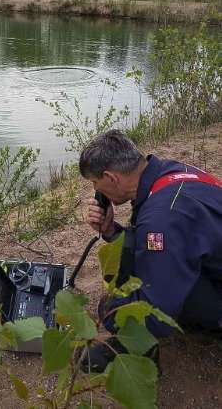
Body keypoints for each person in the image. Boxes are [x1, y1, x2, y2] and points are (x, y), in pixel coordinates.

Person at [79, 129, 222, 372]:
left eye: (95, 182)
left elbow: (157, 316)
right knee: (140, 250)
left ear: (111, 178)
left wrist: (109, 310)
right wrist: (111, 231)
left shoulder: (161, 219)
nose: (96, 189)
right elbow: (153, 240)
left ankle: (140, 350)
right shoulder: (172, 172)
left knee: (121, 306)